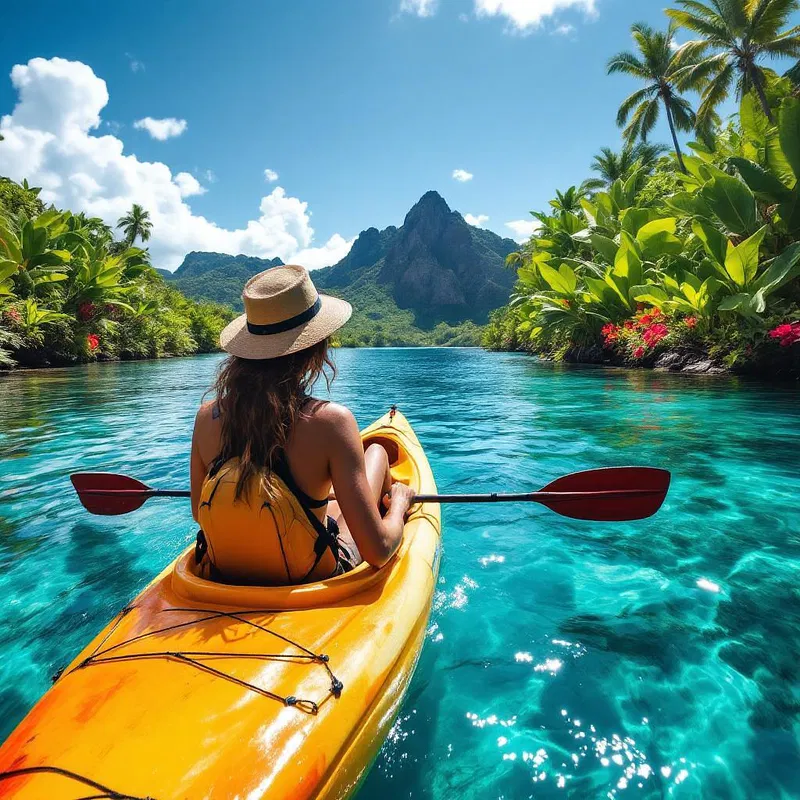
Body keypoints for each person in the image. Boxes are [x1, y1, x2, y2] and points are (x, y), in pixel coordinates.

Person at [189, 264, 415, 585]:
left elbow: (200, 513)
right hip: (309, 577)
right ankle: (384, 499)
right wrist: (400, 507)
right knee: (376, 450)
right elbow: (378, 552)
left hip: (226, 576)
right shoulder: (331, 422)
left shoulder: (205, 417)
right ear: (315, 348)